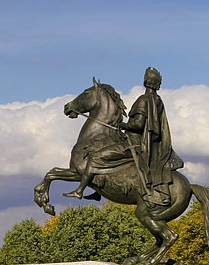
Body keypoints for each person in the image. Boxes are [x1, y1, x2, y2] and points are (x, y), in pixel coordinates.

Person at [64, 67, 183, 206]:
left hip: (134, 143)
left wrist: (123, 125)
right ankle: (98, 192)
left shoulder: (144, 100)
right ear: (158, 84)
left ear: (145, 81)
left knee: (96, 157)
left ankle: (79, 191)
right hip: (144, 143)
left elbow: (138, 125)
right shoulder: (157, 100)